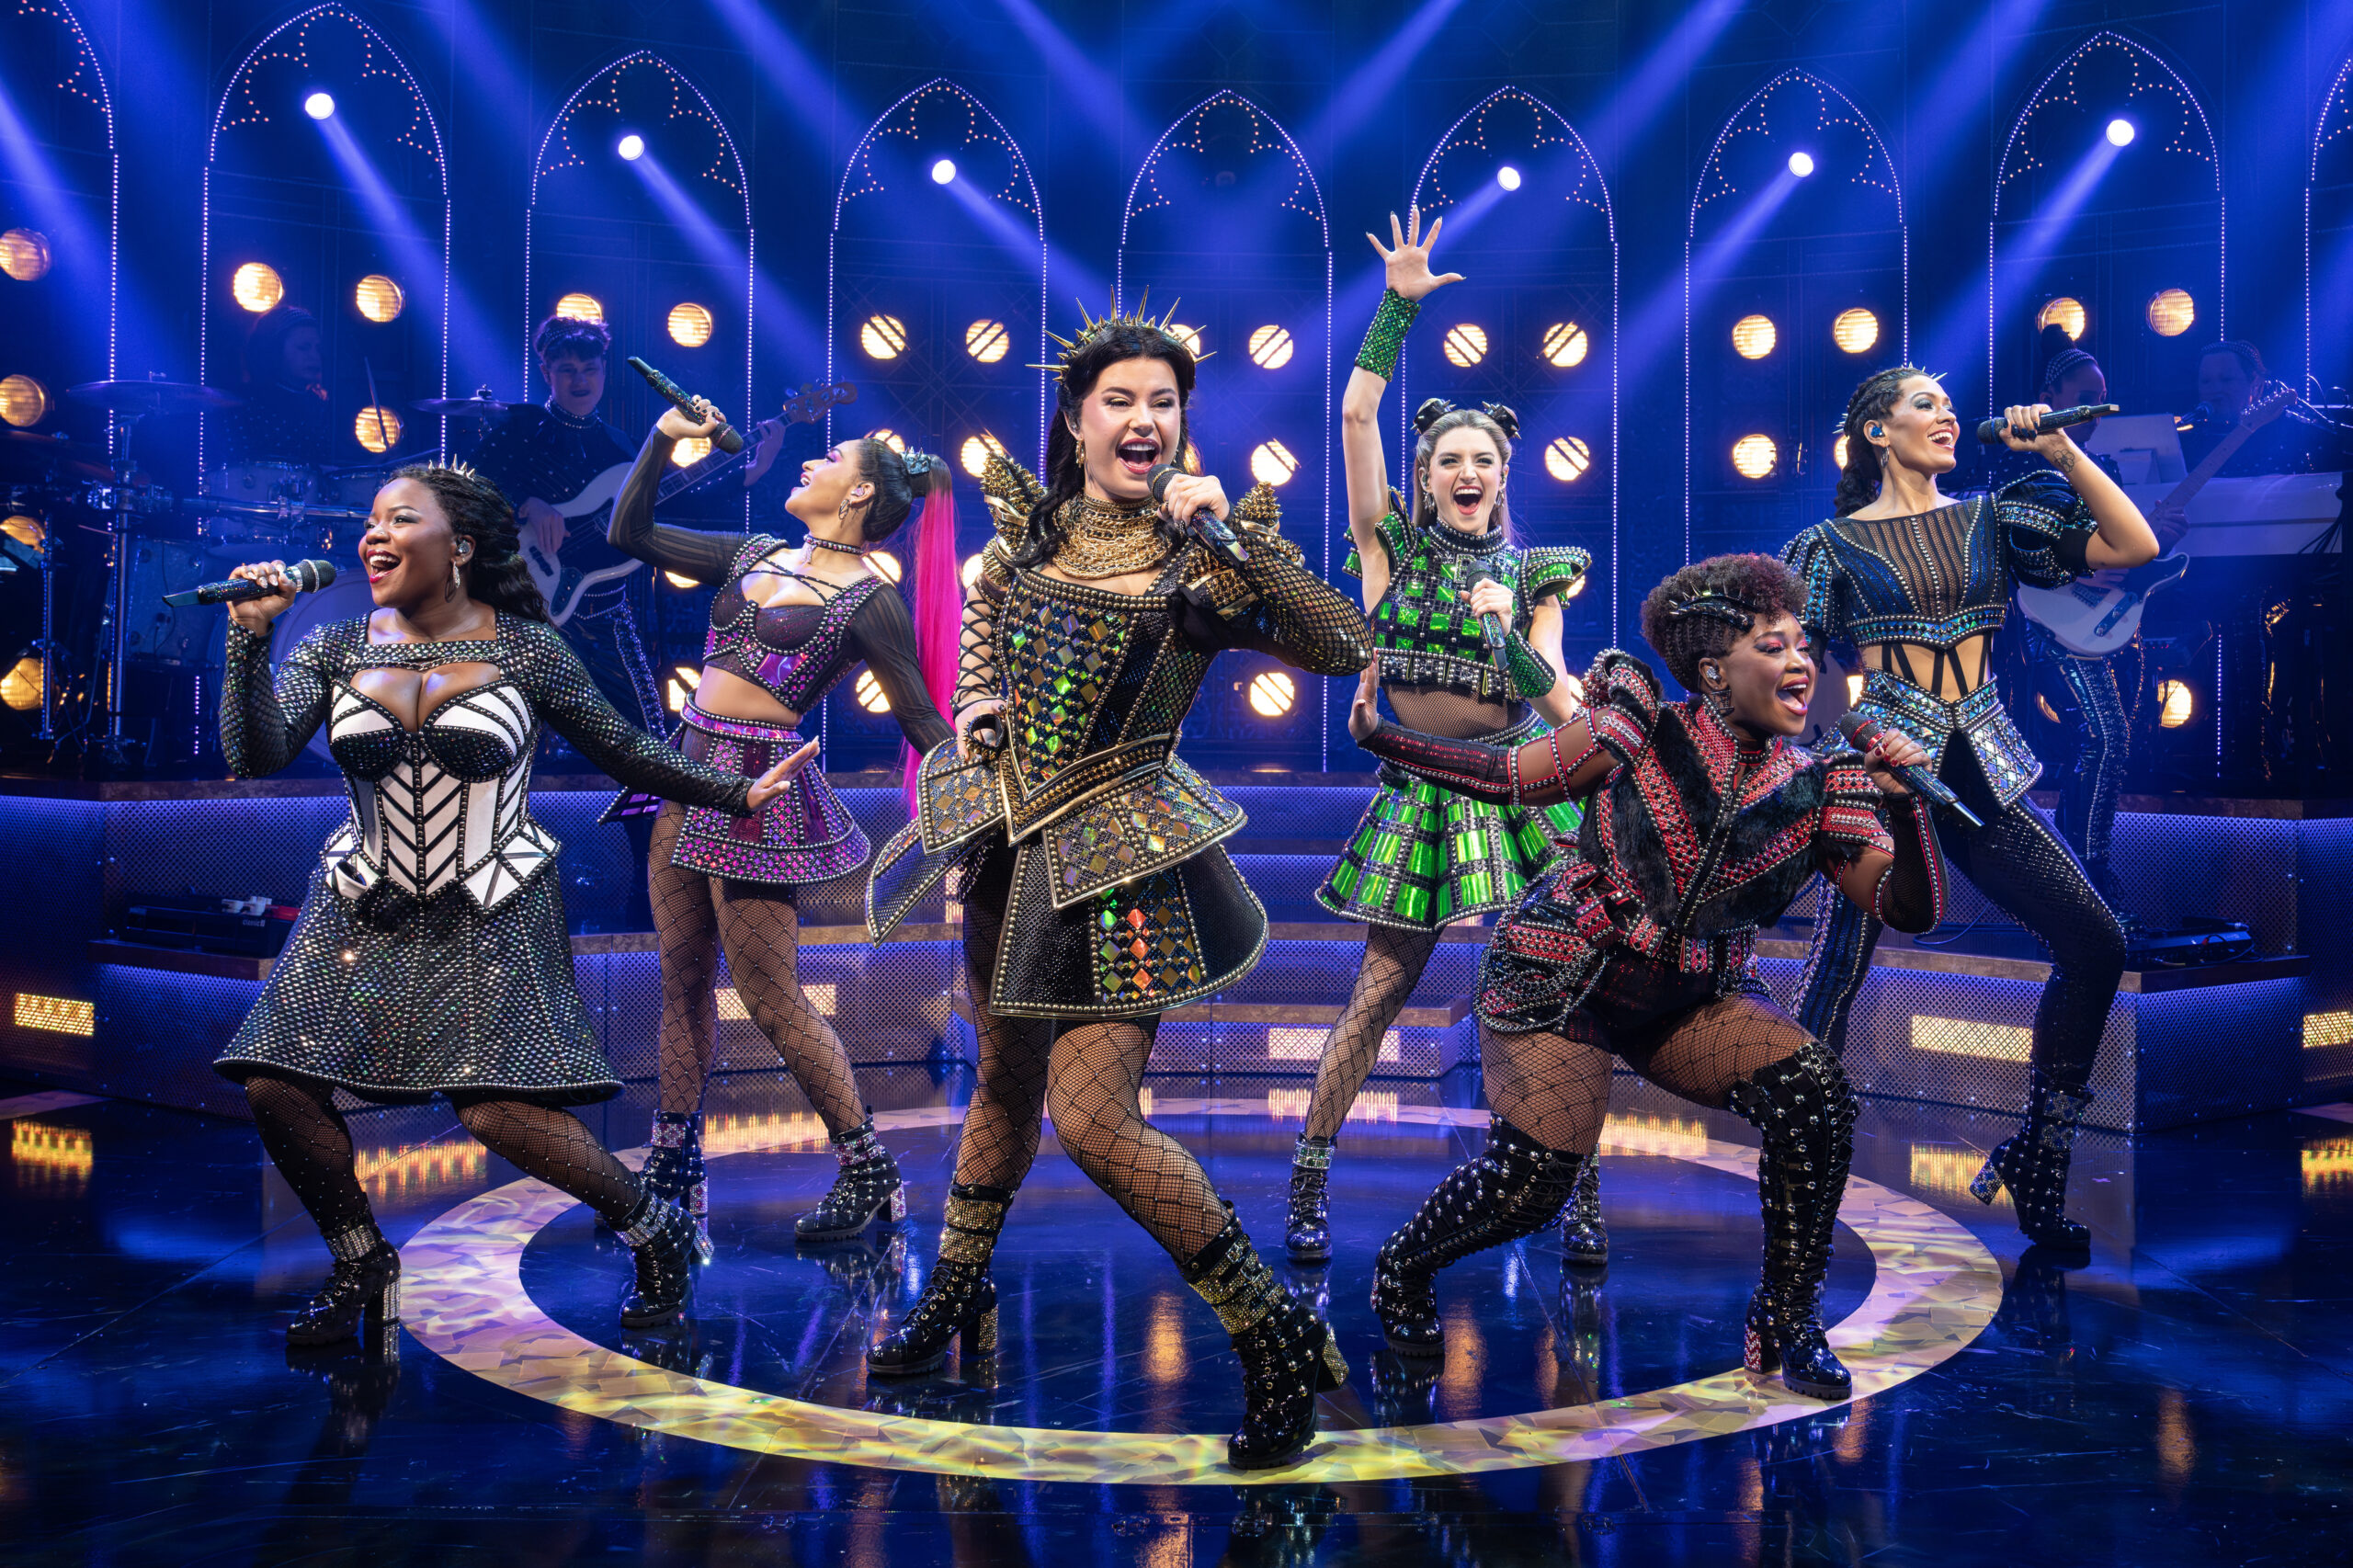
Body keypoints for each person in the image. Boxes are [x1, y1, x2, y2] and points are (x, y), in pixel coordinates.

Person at [861, 301, 1370, 1471]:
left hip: (1125, 853)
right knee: (1001, 1081)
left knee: (1094, 1122)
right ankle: (956, 1288)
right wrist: (977, 701)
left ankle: (1273, 1330)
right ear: (1076, 419)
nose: (1145, 419)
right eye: (1121, 400)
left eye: (1164, 403)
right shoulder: (1025, 542)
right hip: (1005, 843)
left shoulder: (1202, 559)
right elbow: (983, 629)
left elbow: (1343, 643)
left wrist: (1233, 539)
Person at [211, 463, 807, 1343]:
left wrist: (735, 794)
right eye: (370, 521)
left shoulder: (526, 649)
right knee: (275, 1083)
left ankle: (656, 1228)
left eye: (399, 520)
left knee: (495, 1112)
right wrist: (249, 640)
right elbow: (254, 755)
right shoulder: (335, 646)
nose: (374, 535)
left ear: (459, 547)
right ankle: (361, 1261)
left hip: (491, 903)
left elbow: (623, 749)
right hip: (361, 902)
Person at [1344, 554, 1946, 1401]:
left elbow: (1903, 907)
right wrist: (1384, 736)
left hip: (1691, 996)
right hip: (1565, 975)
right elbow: (1511, 779)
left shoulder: (1823, 786)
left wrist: (1909, 807)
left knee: (1813, 1092)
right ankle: (1405, 1266)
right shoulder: (1639, 724)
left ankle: (1787, 1314)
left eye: (1804, 646)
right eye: (1773, 646)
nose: (1802, 663)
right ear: (1714, 669)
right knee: (1532, 1187)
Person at [1783, 367, 2160, 1249]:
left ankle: (2040, 1157)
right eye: (1926, 403)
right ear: (1878, 431)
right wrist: (1851, 741)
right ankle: (1796, 1168)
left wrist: (2061, 451)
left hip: (1984, 766)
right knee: (1836, 974)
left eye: (1951, 405)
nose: (1948, 415)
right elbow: (1791, 665)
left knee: (2097, 942)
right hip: (1879, 772)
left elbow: (2134, 545)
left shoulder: (1995, 516)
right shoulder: (1825, 546)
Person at [1290, 207, 1590, 1269]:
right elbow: (1354, 414)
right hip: (1418, 794)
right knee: (1378, 993)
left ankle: (1576, 1185)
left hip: (1515, 792)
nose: (1467, 471)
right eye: (1449, 459)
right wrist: (1394, 311)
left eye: (1483, 460)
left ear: (1503, 476)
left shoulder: (1536, 571)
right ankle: (1310, 1175)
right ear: (1425, 479)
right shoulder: (1390, 551)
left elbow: (1561, 709)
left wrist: (1508, 640)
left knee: (1556, 993)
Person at [601, 399, 956, 1258]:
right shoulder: (753, 552)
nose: (807, 462)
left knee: (769, 995)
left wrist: (981, 773)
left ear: (859, 491)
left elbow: (919, 718)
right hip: (687, 770)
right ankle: (674, 1157)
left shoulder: (871, 600)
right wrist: (661, 439)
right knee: (682, 979)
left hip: (762, 794)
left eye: (828, 458)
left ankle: (867, 1166)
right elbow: (629, 532)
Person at [2003, 327, 2186, 916]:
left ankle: (2079, 877)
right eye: (2085, 397)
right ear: (2049, 398)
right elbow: (2028, 549)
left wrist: (2153, 544)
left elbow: (2121, 552)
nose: (2096, 411)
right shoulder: (2024, 463)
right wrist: (2087, 564)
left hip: (2107, 625)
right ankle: (2086, 880)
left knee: (2110, 742)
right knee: (2104, 738)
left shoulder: (2097, 466)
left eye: (2101, 399)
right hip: (2054, 625)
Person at [464, 314, 665, 737]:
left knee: (645, 739)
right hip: (527, 608)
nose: (580, 380)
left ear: (604, 371)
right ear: (546, 373)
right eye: (567, 370)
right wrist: (527, 503)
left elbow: (681, 503)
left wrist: (751, 471)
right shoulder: (519, 428)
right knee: (506, 734)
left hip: (605, 612)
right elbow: (465, 489)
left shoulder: (622, 445)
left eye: (590, 369)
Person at [222, 303, 336, 470]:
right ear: (273, 351)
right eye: (303, 348)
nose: (315, 356)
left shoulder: (320, 405)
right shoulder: (244, 404)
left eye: (318, 349)